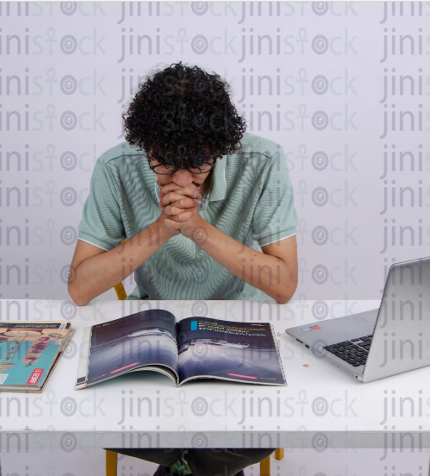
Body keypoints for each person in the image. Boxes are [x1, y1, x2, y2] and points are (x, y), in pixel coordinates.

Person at [67, 62, 298, 476]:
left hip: (238, 325)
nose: (181, 180)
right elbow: (81, 288)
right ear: (146, 146)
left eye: (197, 165)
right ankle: (202, 459)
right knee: (93, 411)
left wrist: (196, 228)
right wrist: (162, 228)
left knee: (266, 425)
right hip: (151, 329)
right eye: (165, 165)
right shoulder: (115, 167)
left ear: (221, 148)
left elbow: (283, 285)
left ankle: (182, 462)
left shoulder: (263, 160)